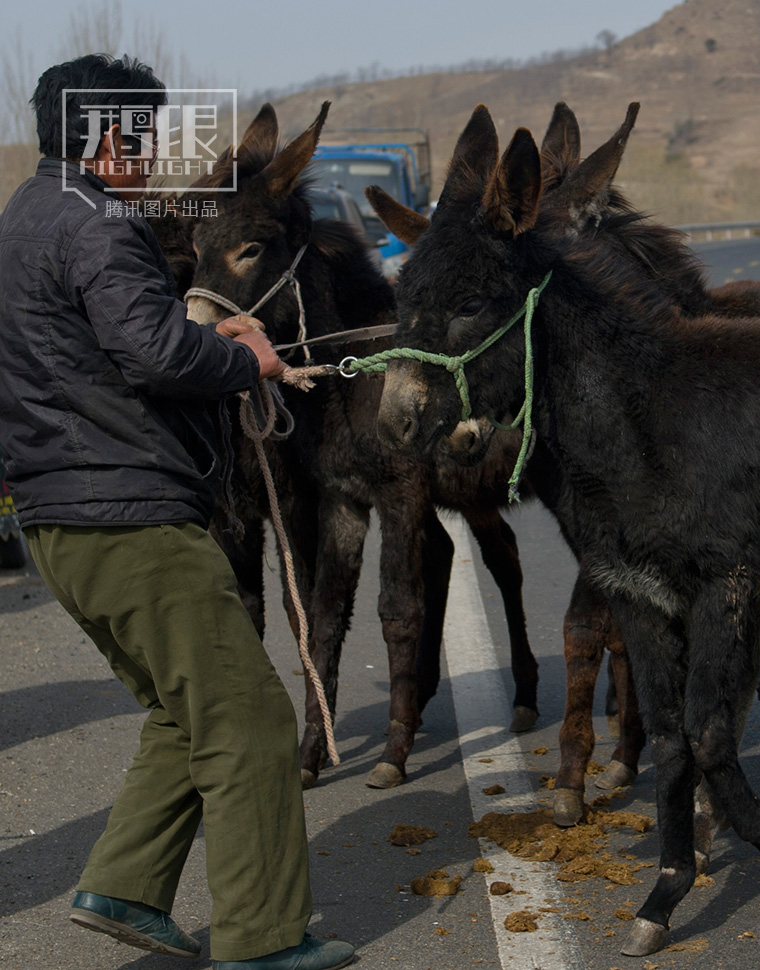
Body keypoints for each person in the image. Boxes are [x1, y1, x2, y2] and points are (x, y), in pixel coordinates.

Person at [0, 55, 354, 970]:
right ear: (108, 138)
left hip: (56, 522)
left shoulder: (24, 219)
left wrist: (207, 333)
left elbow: (107, 351)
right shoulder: (103, 227)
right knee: (250, 720)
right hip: (134, 522)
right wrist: (251, 363)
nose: (154, 157)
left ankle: (120, 887)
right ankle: (265, 940)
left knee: (182, 709)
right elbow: (155, 356)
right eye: (146, 137)